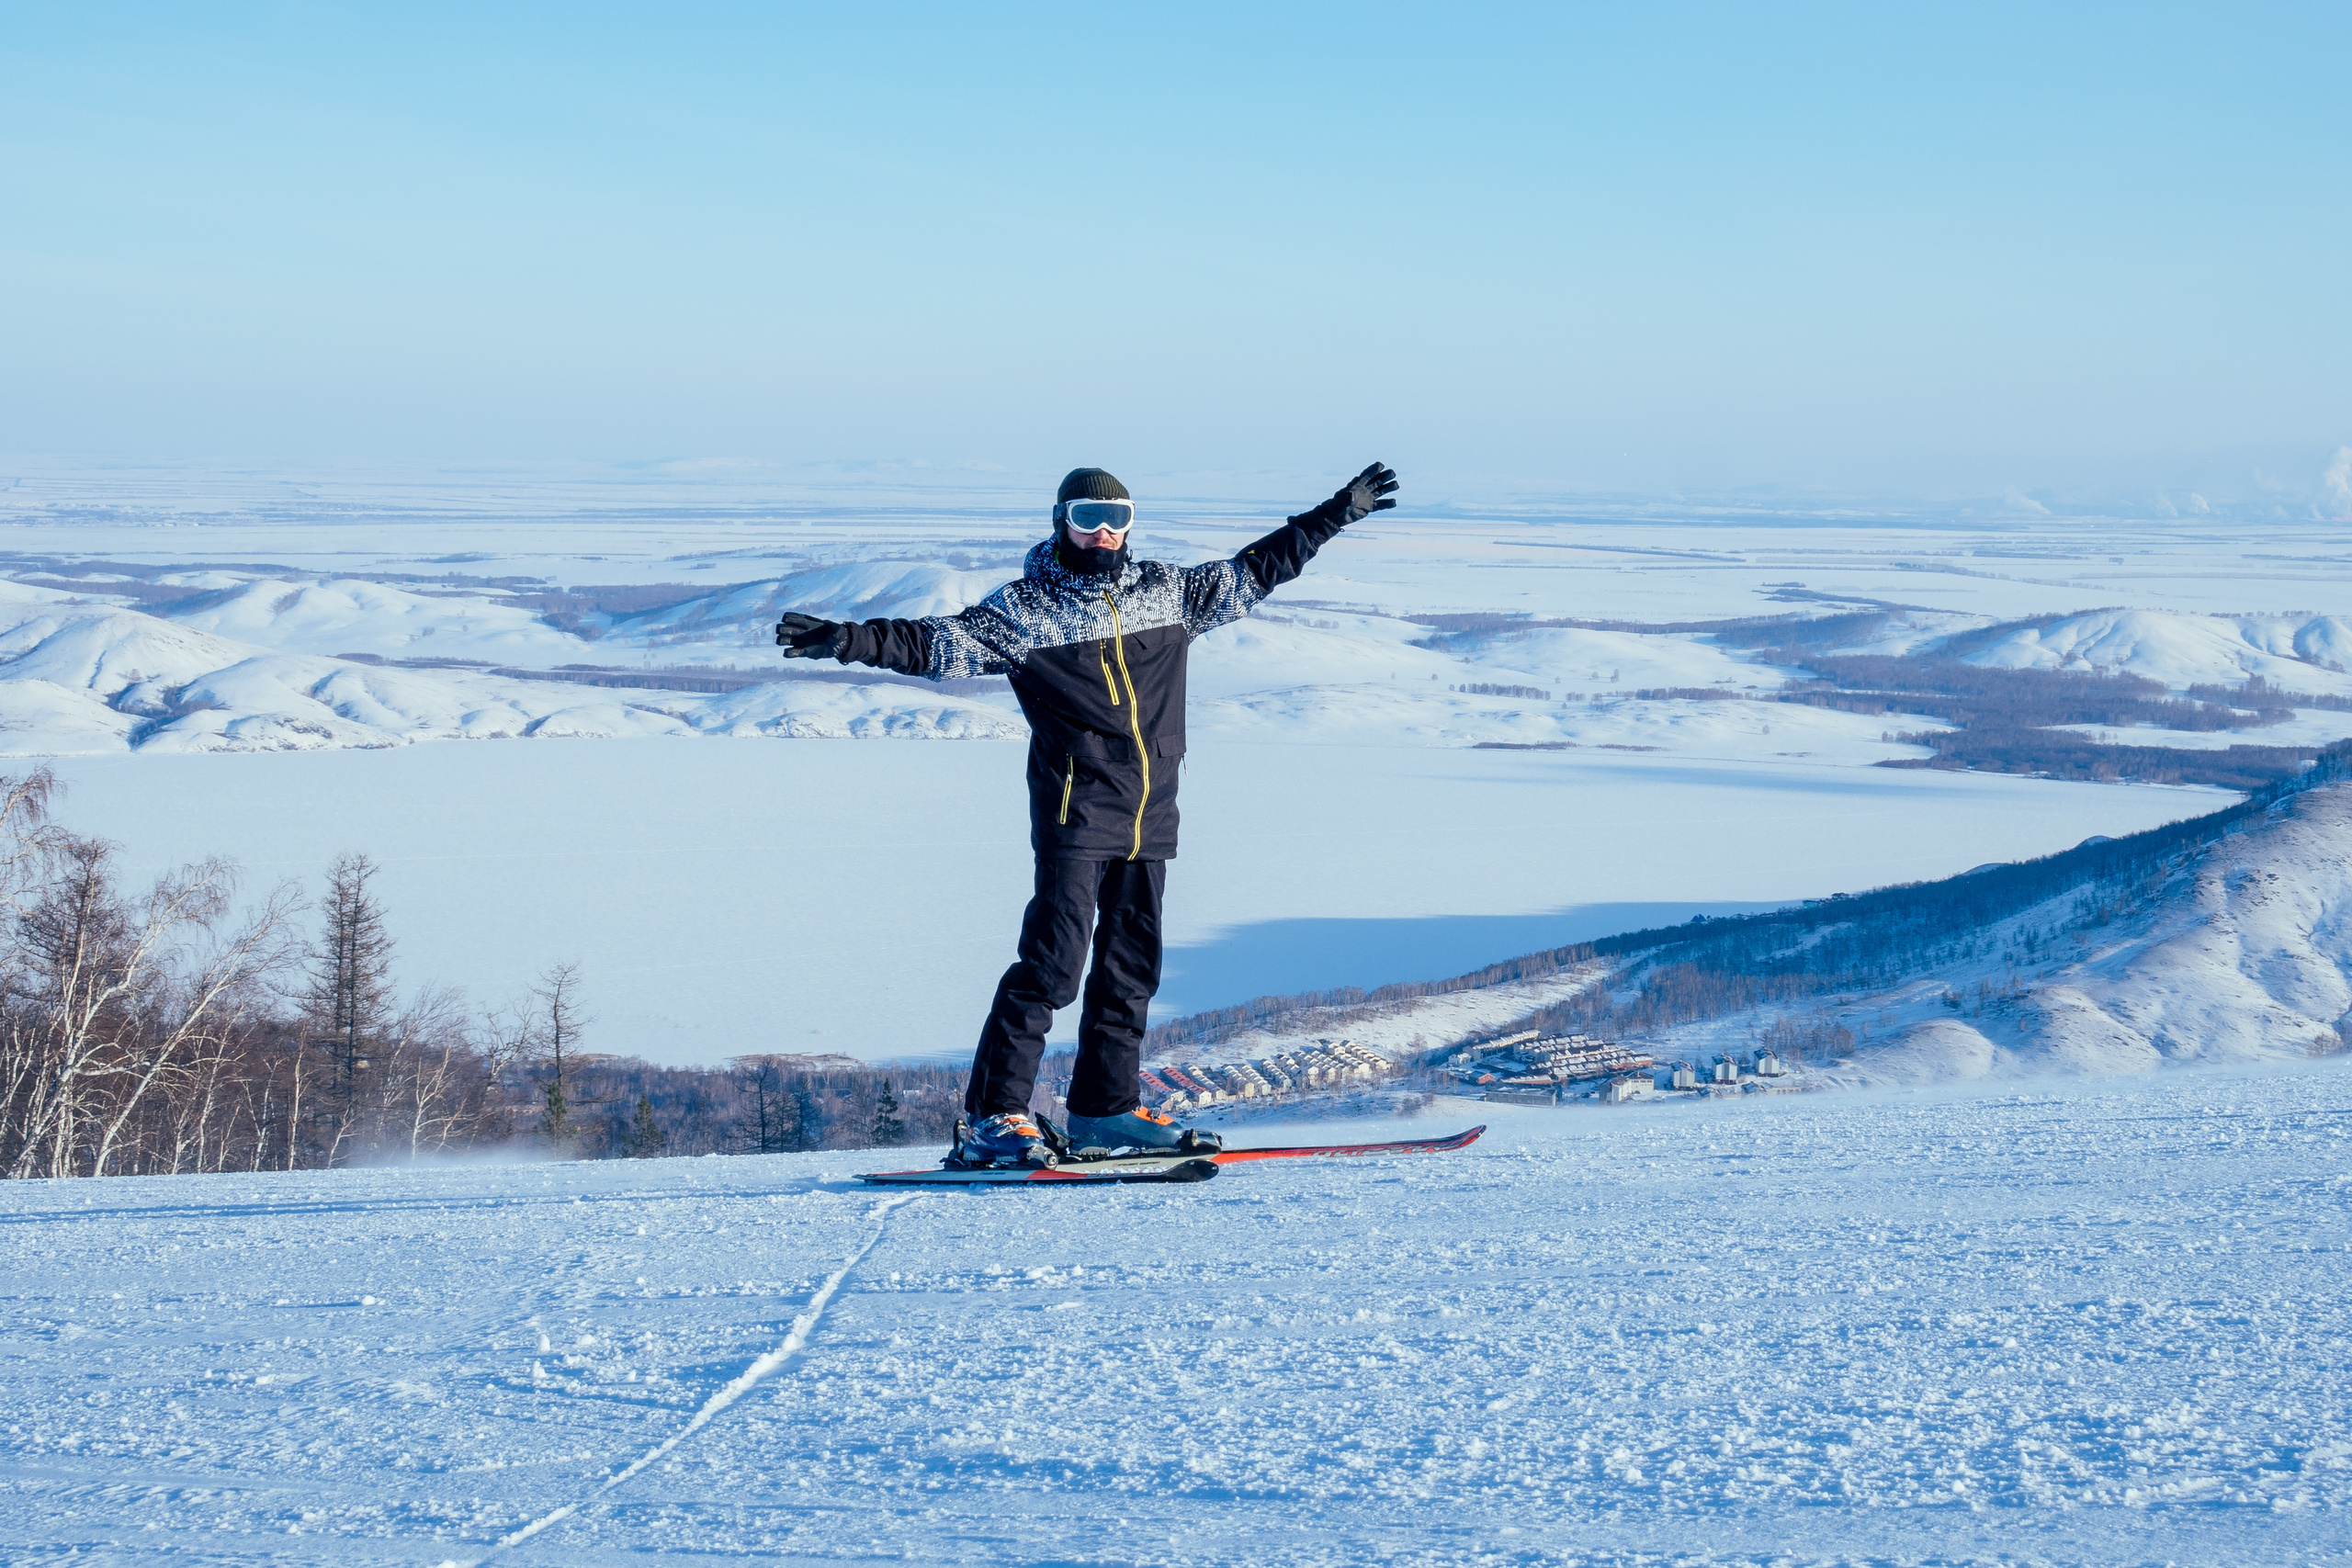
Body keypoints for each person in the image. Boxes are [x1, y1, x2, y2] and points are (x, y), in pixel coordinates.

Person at [776, 462, 1399, 1165]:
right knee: (1051, 969)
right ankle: (994, 1118)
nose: (1104, 533)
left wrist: (1334, 513)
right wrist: (848, 641)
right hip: (1078, 816)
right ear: (1058, 522)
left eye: (1118, 519)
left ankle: (1104, 1110)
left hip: (1150, 818)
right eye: (1086, 518)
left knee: (1130, 971)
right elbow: (932, 643)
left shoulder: (1170, 594)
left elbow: (1257, 569)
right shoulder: (1025, 612)